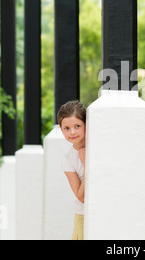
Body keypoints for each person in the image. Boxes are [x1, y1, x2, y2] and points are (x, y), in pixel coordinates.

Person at [58, 100, 87, 240]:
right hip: (83, 216)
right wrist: (86, 165)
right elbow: (81, 197)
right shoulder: (68, 159)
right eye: (67, 128)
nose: (73, 132)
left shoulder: (98, 146)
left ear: (86, 125)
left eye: (77, 126)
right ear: (61, 129)